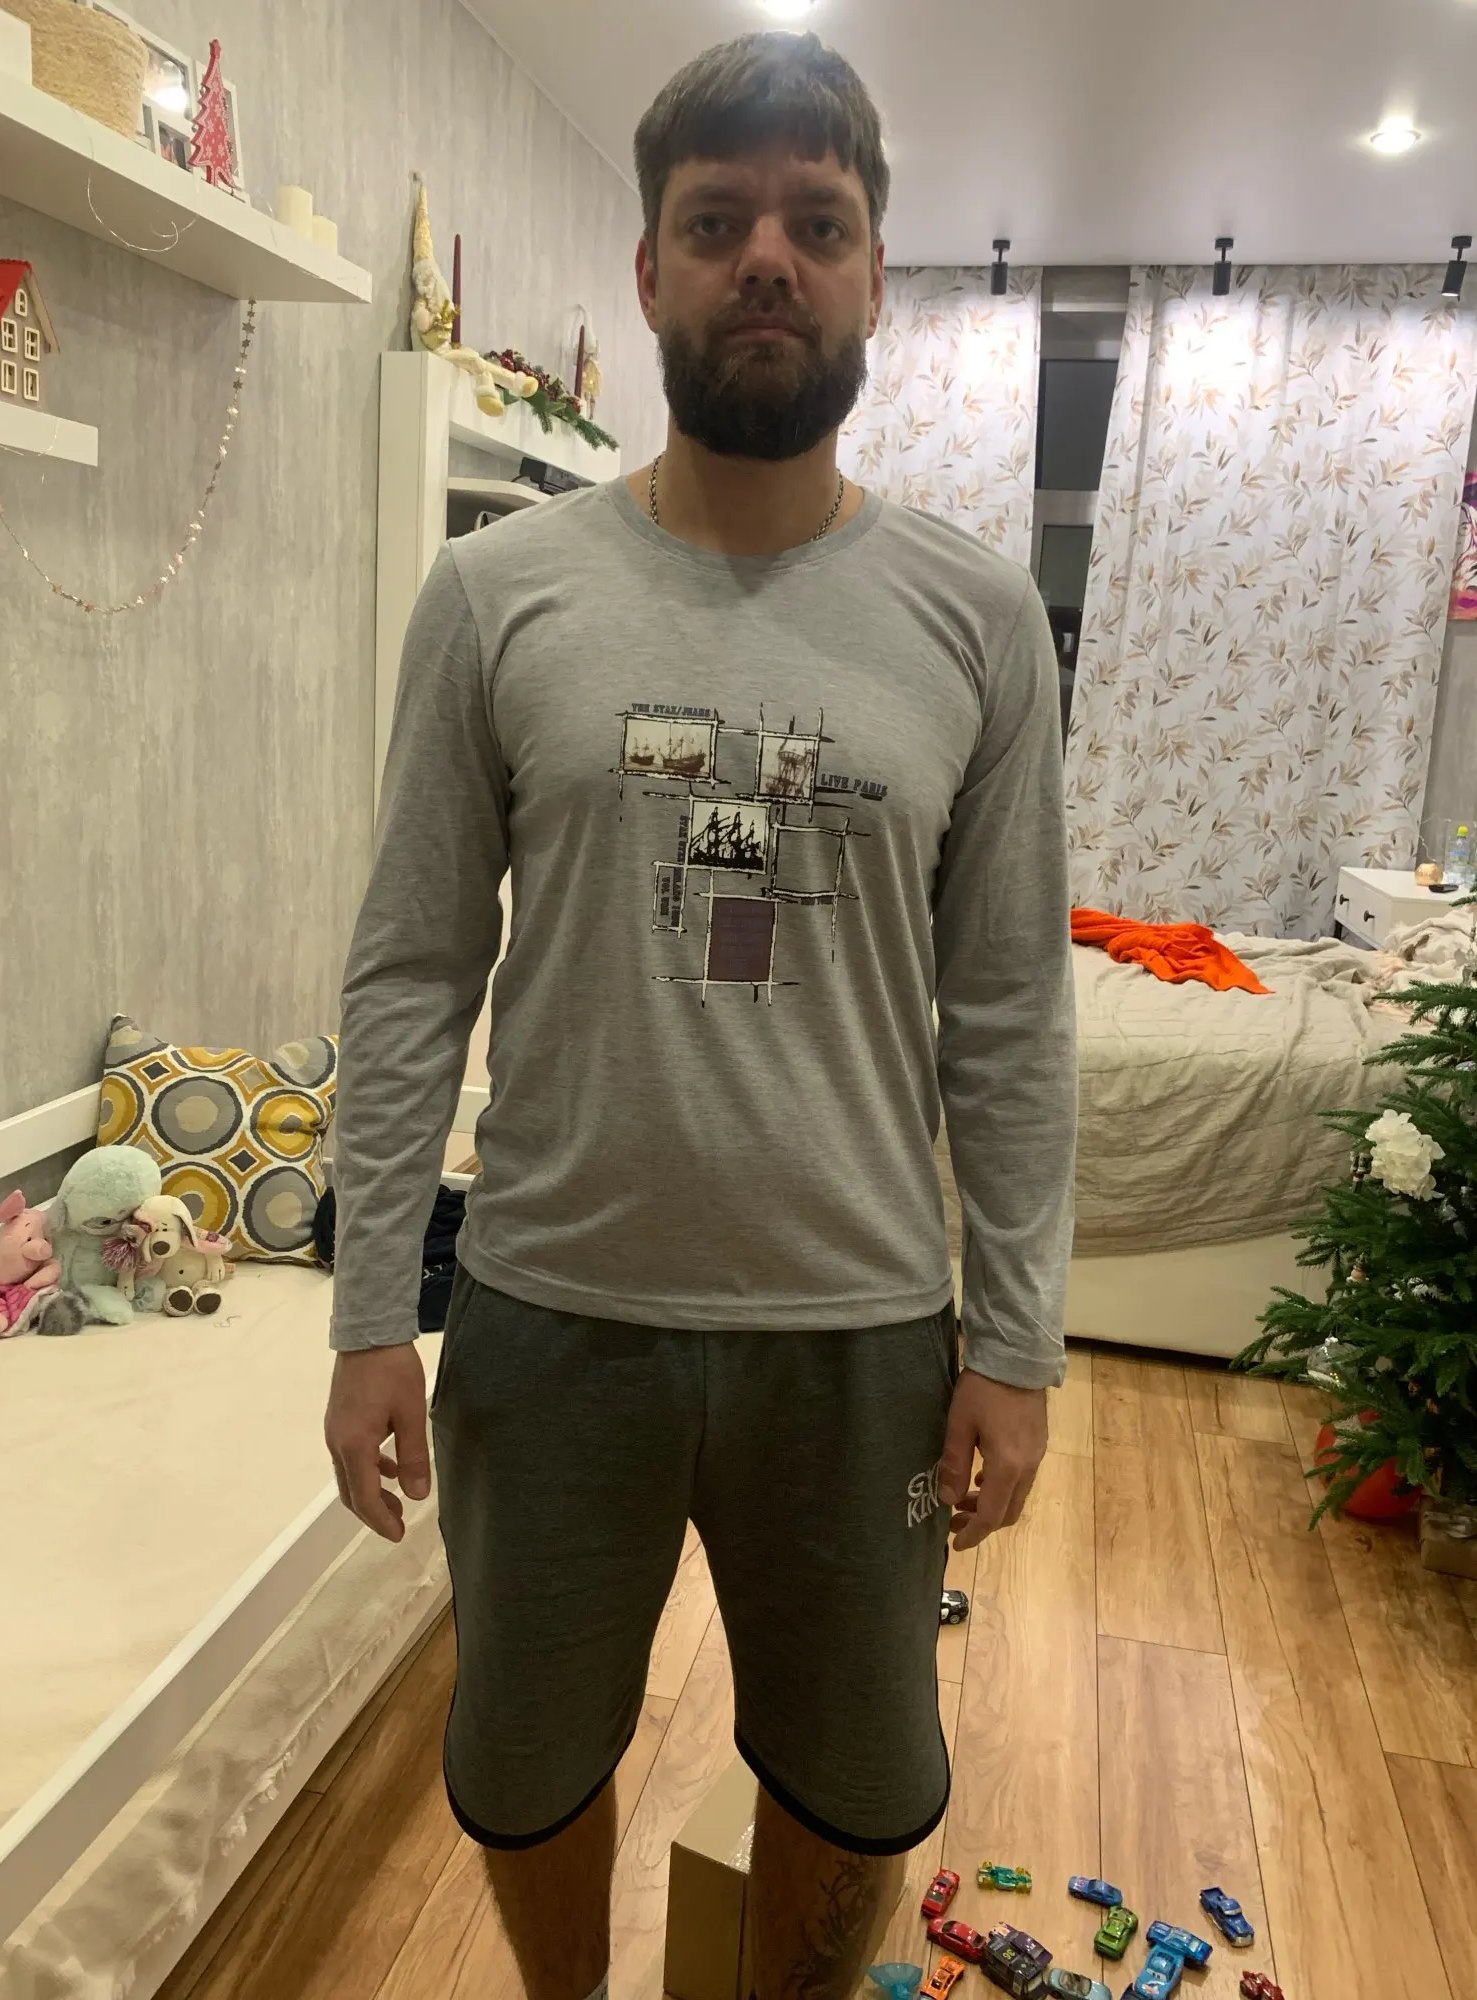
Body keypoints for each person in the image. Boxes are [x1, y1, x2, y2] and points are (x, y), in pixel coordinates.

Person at [323, 29, 1076, 2000]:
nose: (768, 258)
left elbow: (1010, 1006)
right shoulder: (495, 598)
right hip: (548, 1312)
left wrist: (1016, 1338)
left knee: (859, 1783)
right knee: (522, 1771)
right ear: (649, 268)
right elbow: (411, 966)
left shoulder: (979, 619)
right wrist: (369, 1305)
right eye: (719, 218)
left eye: (817, 223)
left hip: (860, 1331)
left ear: (875, 278)